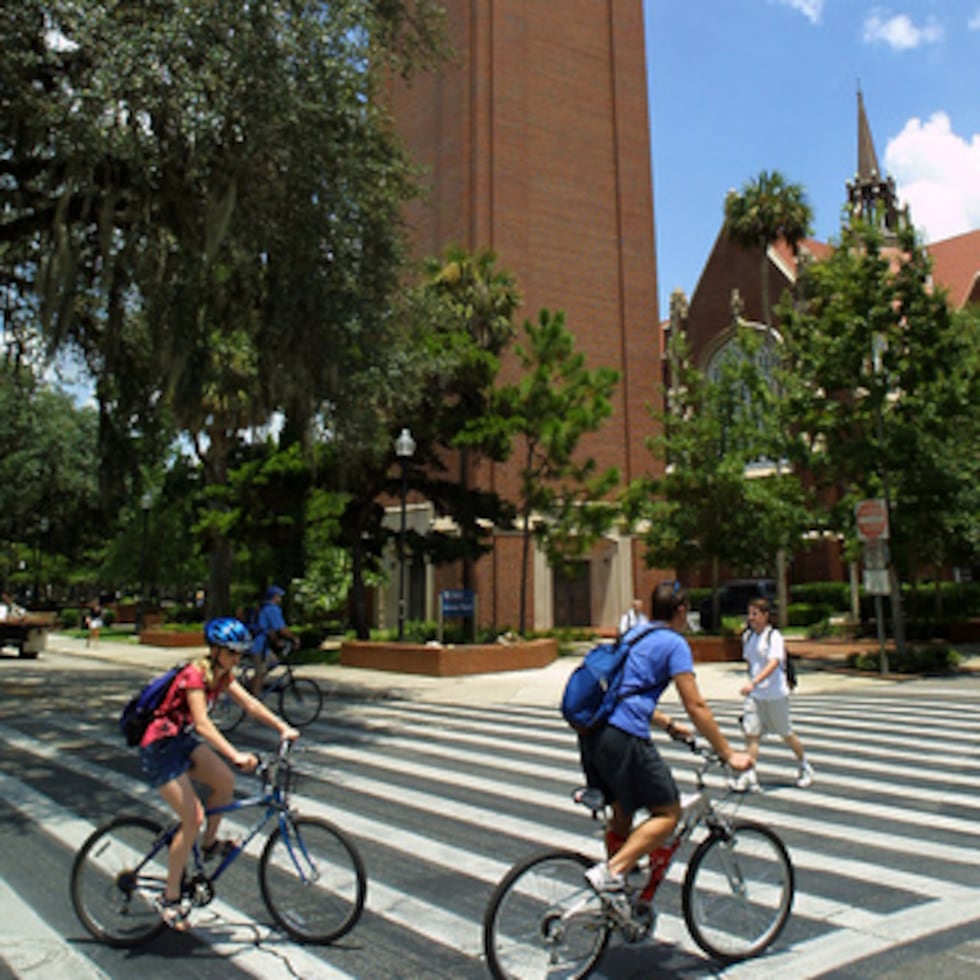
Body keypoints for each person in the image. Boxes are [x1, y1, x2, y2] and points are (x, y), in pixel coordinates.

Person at [579, 581, 752, 909]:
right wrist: (729, 753)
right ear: (682, 612)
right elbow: (696, 705)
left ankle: (617, 902)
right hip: (624, 736)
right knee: (668, 813)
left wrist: (668, 725)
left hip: (593, 733)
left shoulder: (633, 634)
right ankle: (612, 872)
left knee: (622, 813)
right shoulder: (674, 643)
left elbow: (624, 690)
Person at [138, 616, 299, 930]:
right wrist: (235, 754)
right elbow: (202, 723)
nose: (237, 659)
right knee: (192, 817)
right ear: (215, 650)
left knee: (224, 781)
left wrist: (282, 727)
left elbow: (250, 704)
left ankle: (209, 844)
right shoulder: (194, 675)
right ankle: (169, 897)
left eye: (241, 653)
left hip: (180, 741)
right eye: (232, 653)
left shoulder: (222, 674)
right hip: (159, 747)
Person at [729, 596, 814, 792]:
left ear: (766, 616)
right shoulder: (747, 637)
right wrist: (752, 684)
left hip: (775, 694)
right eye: (749, 614)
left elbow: (774, 663)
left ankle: (804, 765)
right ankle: (749, 775)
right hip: (755, 696)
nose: (751, 618)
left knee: (785, 733)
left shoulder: (773, 637)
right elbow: (751, 663)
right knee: (752, 733)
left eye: (755, 614)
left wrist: (754, 681)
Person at [248, 585, 299, 696]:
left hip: (260, 644)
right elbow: (281, 629)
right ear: (274, 597)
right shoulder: (273, 609)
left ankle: (250, 685)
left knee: (274, 662)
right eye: (278, 596)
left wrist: (276, 641)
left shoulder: (264, 608)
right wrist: (294, 638)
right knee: (260, 672)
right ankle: (254, 701)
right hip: (259, 646)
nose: (280, 599)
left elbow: (269, 630)